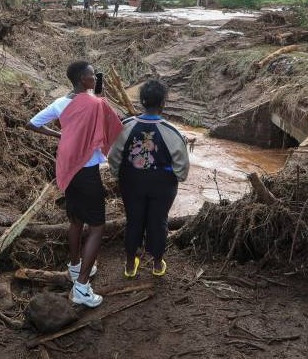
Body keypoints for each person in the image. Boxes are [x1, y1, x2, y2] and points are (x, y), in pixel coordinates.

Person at [27, 61, 123, 307]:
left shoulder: (61, 103)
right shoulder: (96, 104)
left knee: (75, 221)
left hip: (68, 168)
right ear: (83, 79)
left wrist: (61, 135)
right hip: (87, 171)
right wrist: (101, 102)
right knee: (98, 226)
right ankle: (81, 288)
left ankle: (75, 267)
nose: (94, 77)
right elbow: (116, 127)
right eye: (92, 74)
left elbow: (33, 124)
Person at [108, 79, 189, 278]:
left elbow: (114, 155)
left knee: (134, 219)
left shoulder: (126, 126)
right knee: (159, 221)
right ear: (163, 103)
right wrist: (179, 177)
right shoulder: (172, 131)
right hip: (163, 184)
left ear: (142, 102)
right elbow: (182, 164)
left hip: (131, 181)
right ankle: (157, 263)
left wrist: (117, 174)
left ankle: (129, 264)